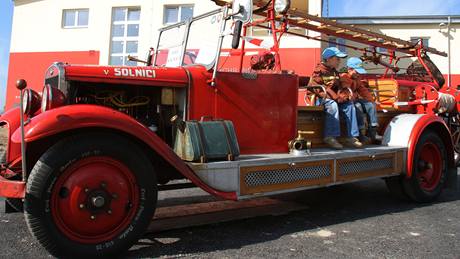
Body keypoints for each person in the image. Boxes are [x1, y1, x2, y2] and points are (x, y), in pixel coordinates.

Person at [309, 47, 362, 149]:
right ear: (329, 59)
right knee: (332, 105)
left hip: (332, 98)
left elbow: (339, 86)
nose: (339, 61)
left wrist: (343, 96)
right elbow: (319, 90)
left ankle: (351, 136)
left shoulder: (334, 72)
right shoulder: (318, 71)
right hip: (320, 99)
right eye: (337, 59)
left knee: (349, 105)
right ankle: (330, 136)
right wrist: (335, 97)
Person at [340, 57, 381, 143]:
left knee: (370, 105)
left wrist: (372, 101)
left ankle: (372, 132)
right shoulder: (344, 77)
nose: (358, 74)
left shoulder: (356, 78)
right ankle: (360, 134)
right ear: (349, 69)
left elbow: (363, 90)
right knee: (358, 106)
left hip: (354, 99)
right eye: (357, 71)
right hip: (346, 101)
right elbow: (345, 92)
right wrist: (350, 97)